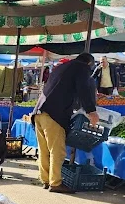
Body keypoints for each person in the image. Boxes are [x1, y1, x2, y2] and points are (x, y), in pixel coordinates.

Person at [33, 51, 98, 194]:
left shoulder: (63, 66)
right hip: (54, 113)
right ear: (89, 63)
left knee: (44, 150)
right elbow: (83, 89)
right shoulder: (81, 68)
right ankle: (55, 183)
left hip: (39, 111)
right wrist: (91, 111)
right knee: (57, 151)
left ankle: (45, 179)